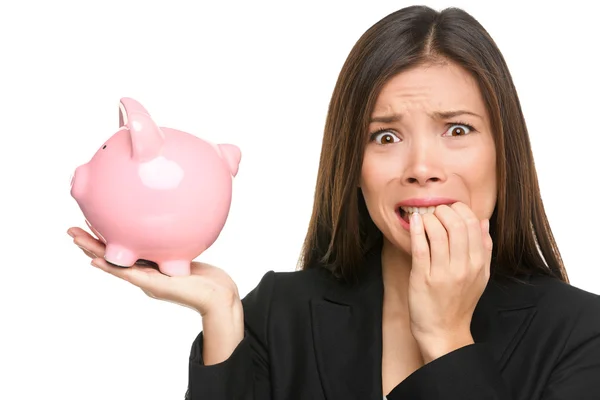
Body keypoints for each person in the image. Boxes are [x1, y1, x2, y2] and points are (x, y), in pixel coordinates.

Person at [67, 5, 600, 400]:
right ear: (354, 167)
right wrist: (223, 316)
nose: (421, 166)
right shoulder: (277, 315)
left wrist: (446, 336)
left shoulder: (582, 333)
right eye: (385, 137)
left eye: (457, 129)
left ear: (505, 153)